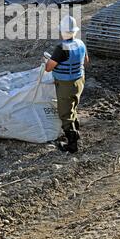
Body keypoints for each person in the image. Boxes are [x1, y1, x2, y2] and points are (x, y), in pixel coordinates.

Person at [45, 15, 89, 153]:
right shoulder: (81, 43)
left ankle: (72, 144)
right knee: (73, 105)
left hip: (66, 84)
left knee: (65, 113)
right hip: (79, 80)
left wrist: (49, 60)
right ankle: (76, 131)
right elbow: (86, 61)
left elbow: (48, 68)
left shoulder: (61, 48)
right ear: (75, 31)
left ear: (62, 31)